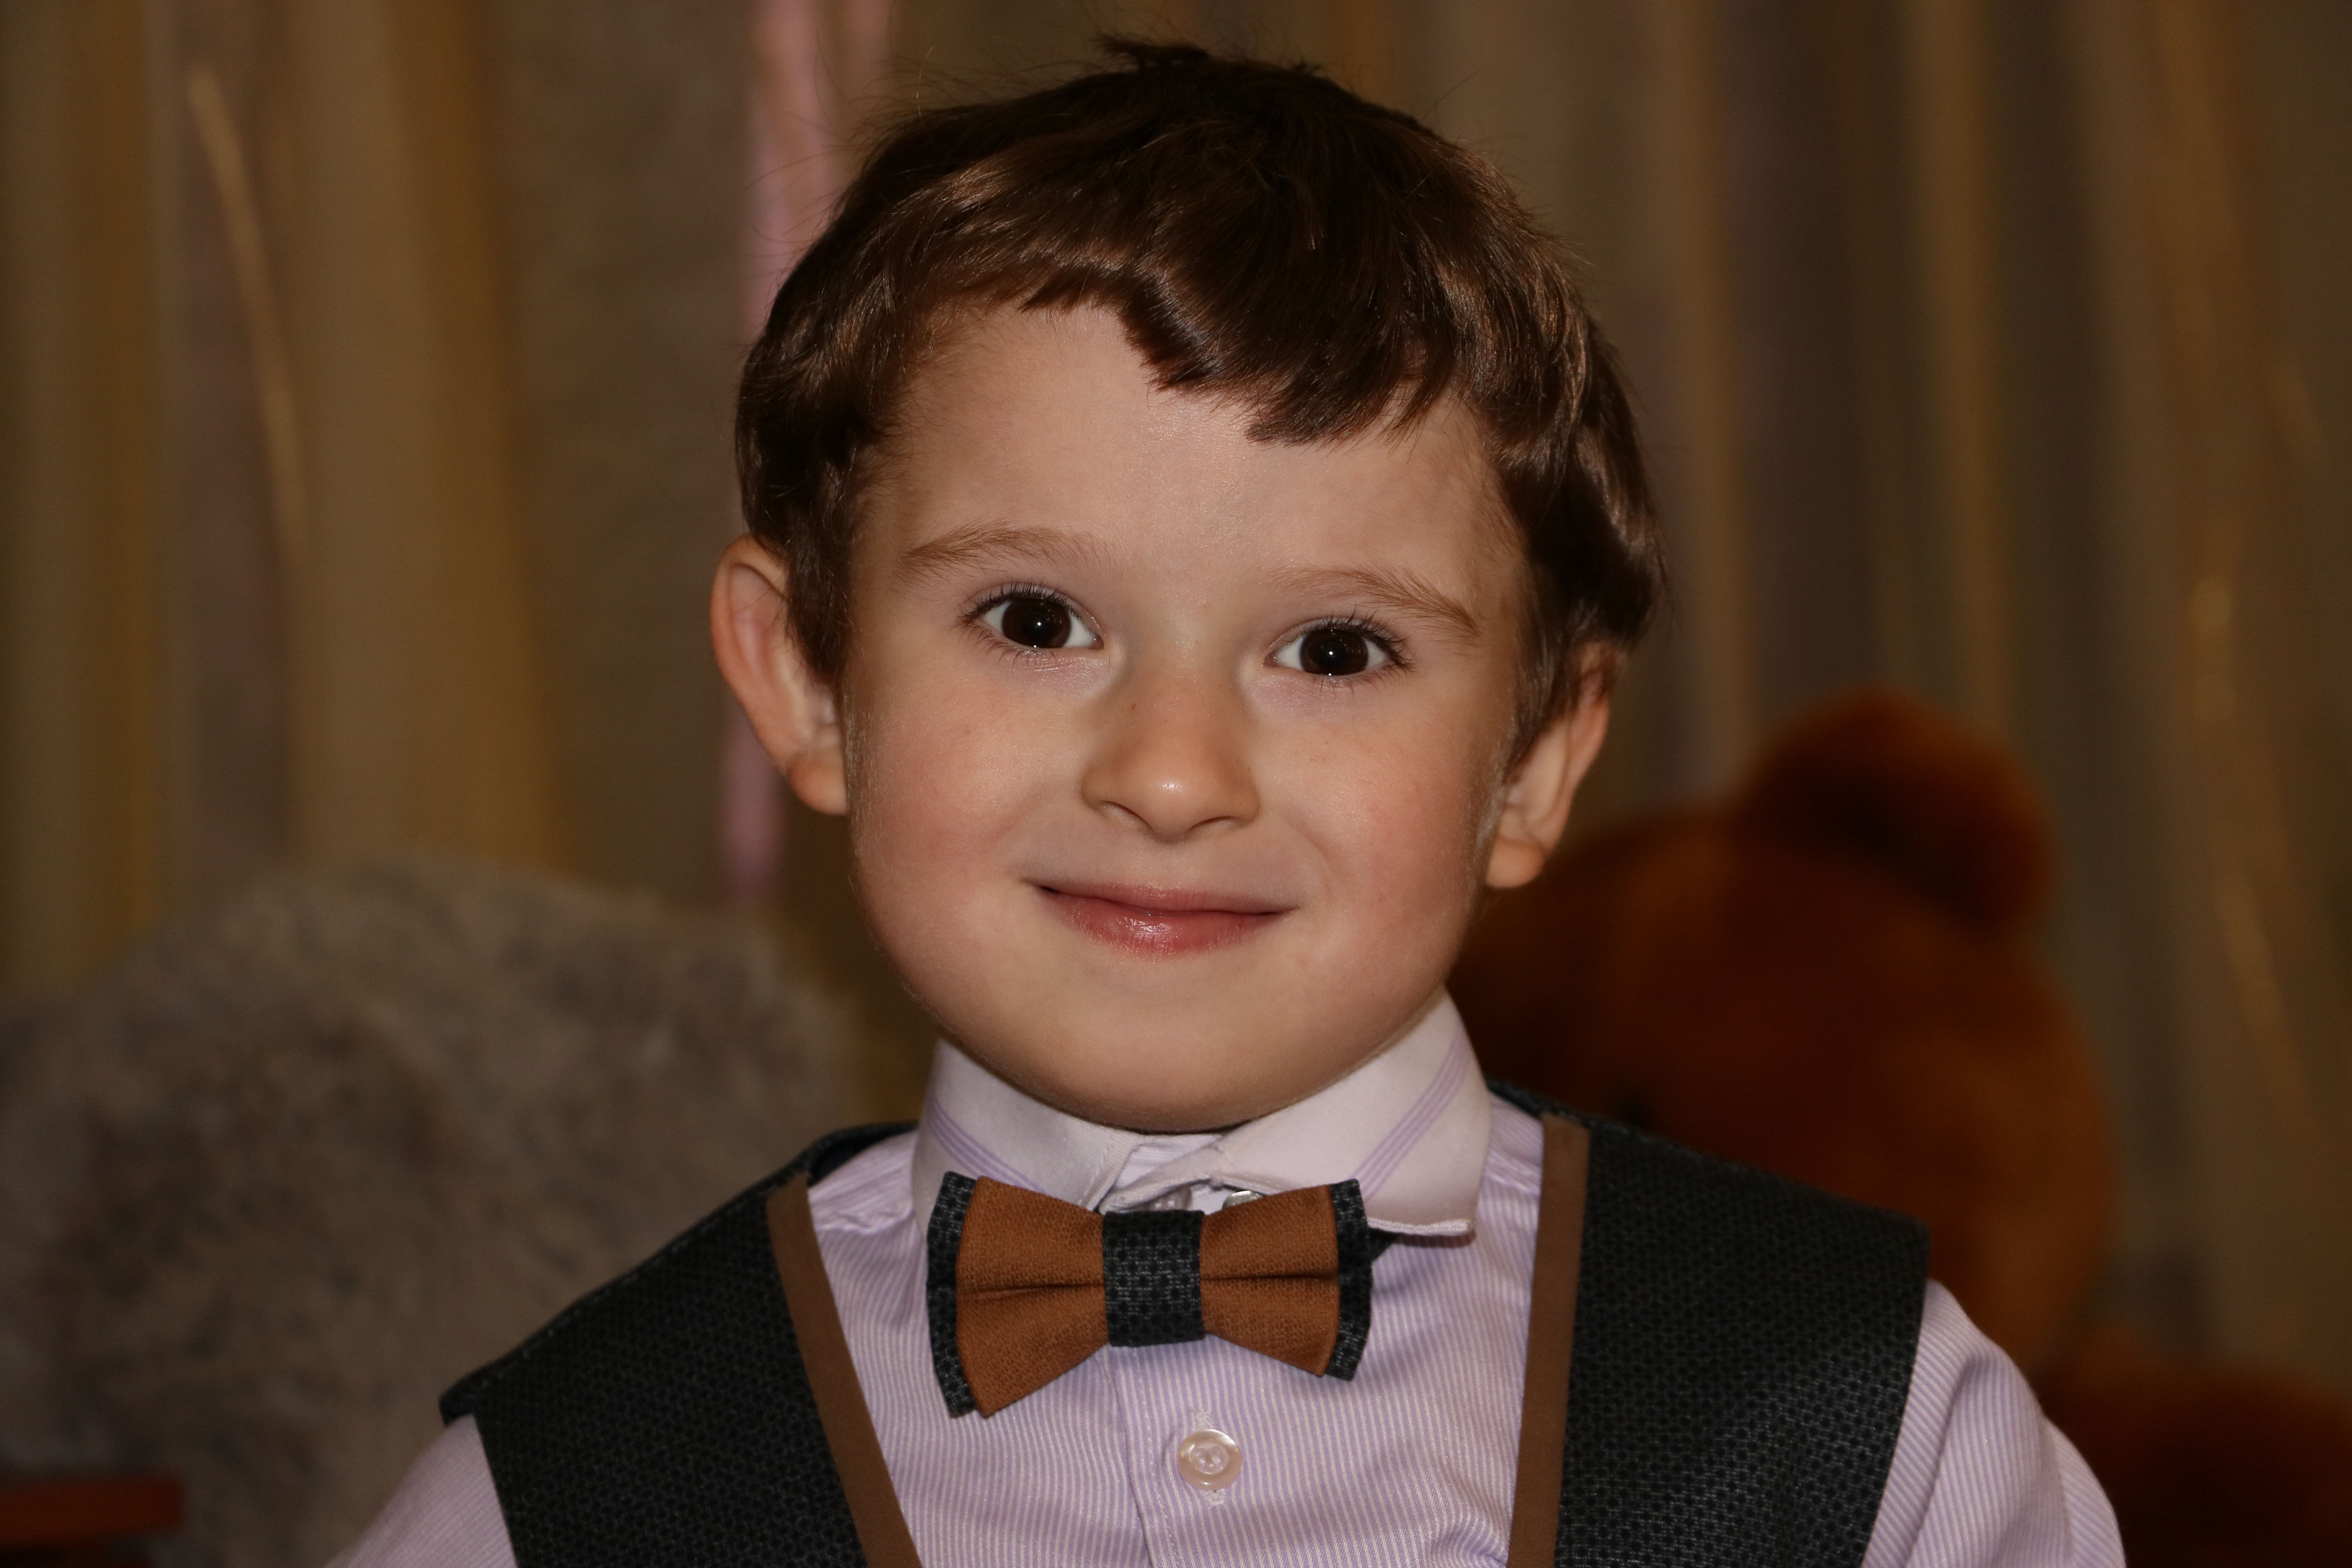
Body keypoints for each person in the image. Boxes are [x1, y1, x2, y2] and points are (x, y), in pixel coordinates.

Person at [332, 42, 2120, 1568]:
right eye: (1037, 620)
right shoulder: (559, 1492)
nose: (1173, 774)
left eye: (1335, 649)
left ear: (1535, 760)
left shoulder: (1876, 1431)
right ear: (808, 676)